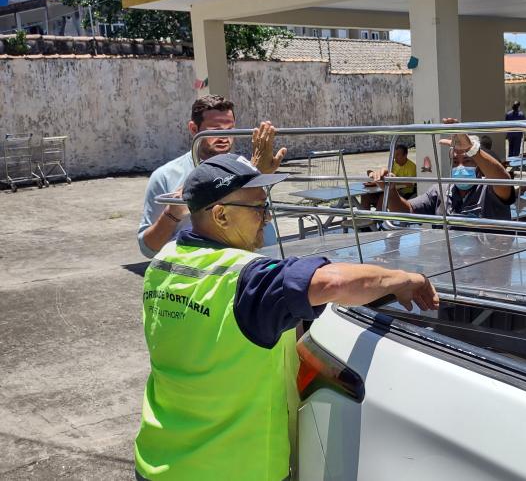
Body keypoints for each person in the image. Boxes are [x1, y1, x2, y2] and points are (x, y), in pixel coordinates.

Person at [134, 153, 438, 480]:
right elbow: (333, 281)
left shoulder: (163, 262)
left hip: (157, 459)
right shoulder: (245, 281)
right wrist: (405, 280)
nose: (267, 217)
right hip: (230, 469)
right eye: (258, 208)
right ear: (220, 215)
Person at [137, 95, 286, 258]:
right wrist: (172, 213)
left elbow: (261, 225)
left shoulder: (246, 165)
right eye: (215, 130)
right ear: (194, 129)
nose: (224, 137)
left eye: (230, 130)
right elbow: (148, 248)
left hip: (256, 261)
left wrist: (255, 174)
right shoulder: (166, 176)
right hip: (203, 269)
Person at [369, 119, 516, 220]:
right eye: (455, 162)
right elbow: (406, 211)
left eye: (467, 161)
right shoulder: (440, 191)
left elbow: (504, 182)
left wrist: (472, 149)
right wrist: (390, 190)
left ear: (478, 166)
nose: (460, 167)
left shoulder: (489, 189)